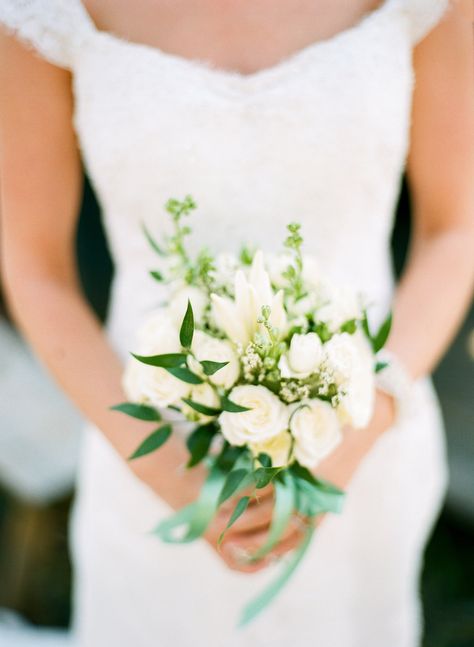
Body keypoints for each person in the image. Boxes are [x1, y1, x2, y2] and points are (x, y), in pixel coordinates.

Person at [0, 1, 473, 645]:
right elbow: (34, 268)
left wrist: (362, 425)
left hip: (363, 450)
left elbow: (455, 230)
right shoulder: (41, 12)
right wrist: (173, 477)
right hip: (145, 442)